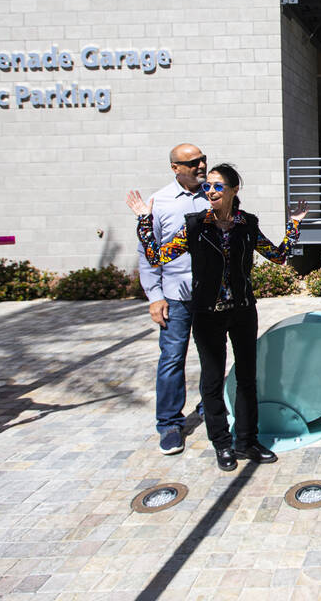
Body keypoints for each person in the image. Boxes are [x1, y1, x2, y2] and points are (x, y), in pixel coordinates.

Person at [130, 163, 306, 471]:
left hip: (242, 311)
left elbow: (278, 256)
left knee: (247, 379)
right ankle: (222, 444)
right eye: (208, 186)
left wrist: (294, 225)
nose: (210, 191)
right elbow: (158, 256)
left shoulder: (247, 224)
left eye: (217, 186)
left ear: (234, 190)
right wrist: (145, 219)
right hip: (207, 314)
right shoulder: (195, 225)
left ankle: (247, 441)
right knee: (212, 382)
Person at [136, 143, 210, 457]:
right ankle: (169, 423)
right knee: (172, 359)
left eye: (203, 159)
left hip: (212, 292)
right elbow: (146, 252)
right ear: (175, 167)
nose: (201, 165)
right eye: (192, 162)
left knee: (213, 355)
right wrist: (154, 296)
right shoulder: (159, 202)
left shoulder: (215, 195)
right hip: (176, 296)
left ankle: (212, 406)